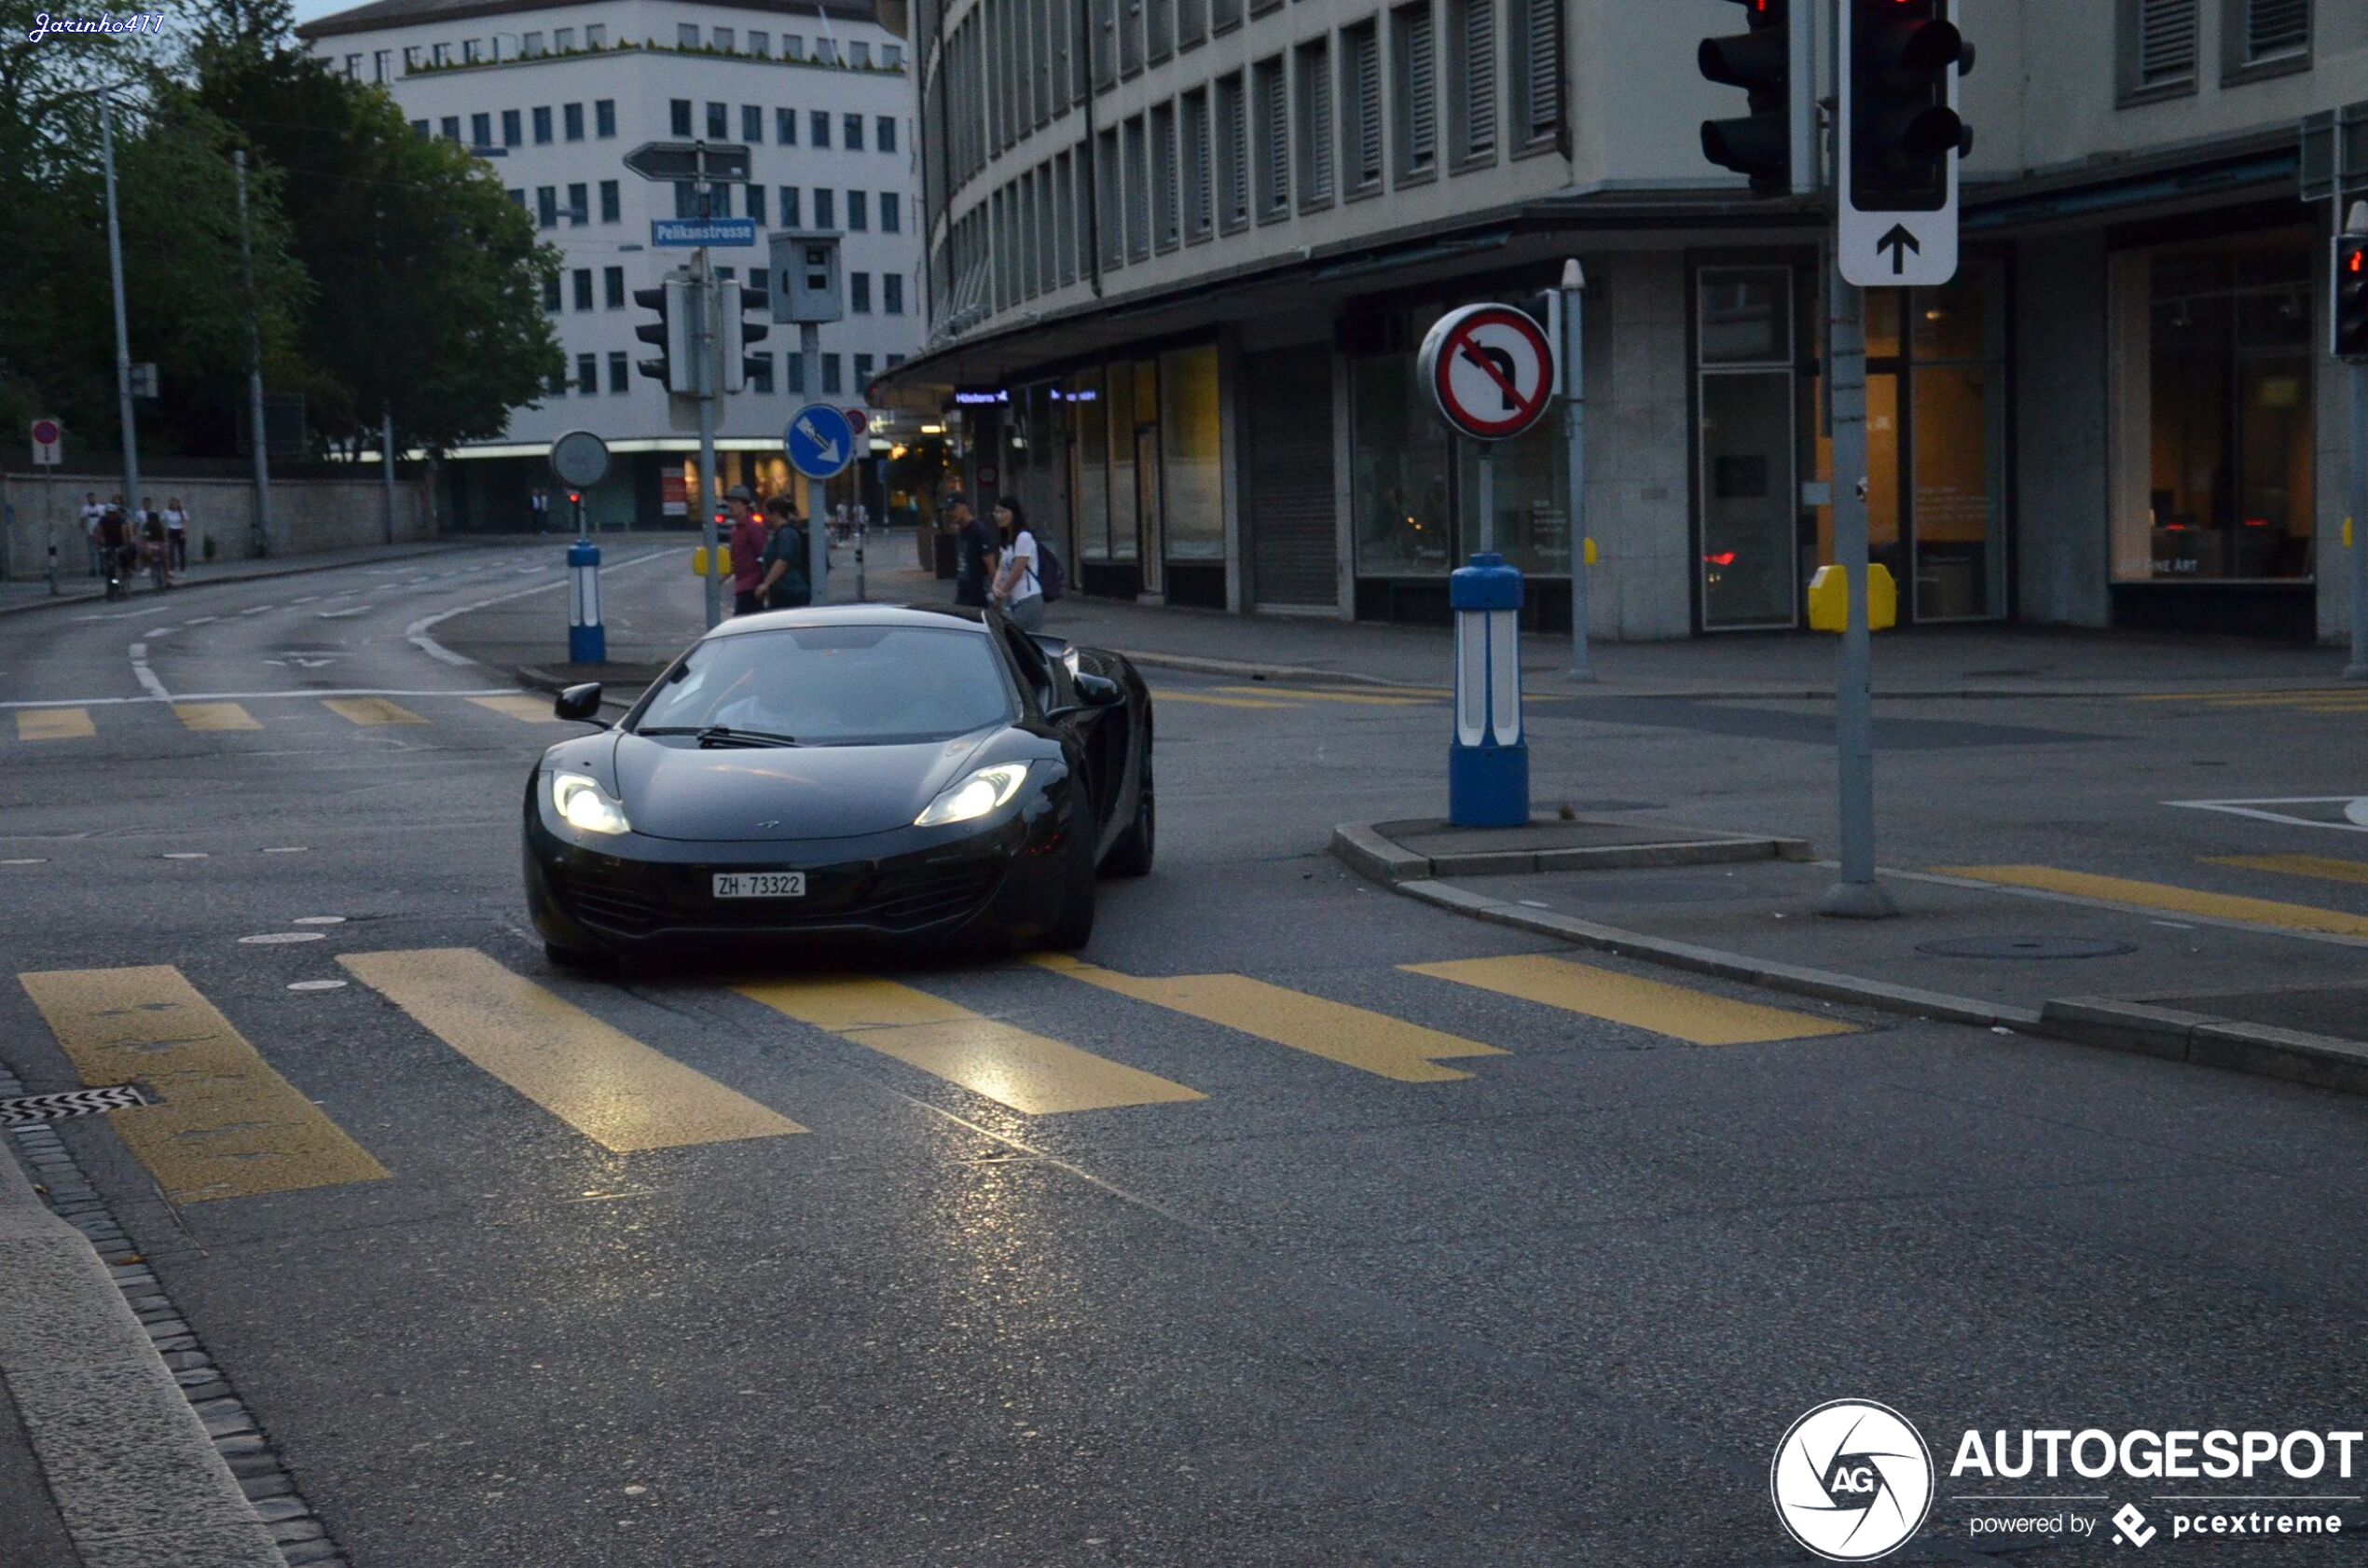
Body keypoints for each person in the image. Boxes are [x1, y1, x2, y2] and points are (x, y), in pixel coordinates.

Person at [987, 496, 1044, 631]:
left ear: (1014, 513)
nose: (998, 516)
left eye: (1002, 512)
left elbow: (1018, 571)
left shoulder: (1024, 537)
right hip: (1014, 600)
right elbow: (1001, 567)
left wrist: (1002, 592)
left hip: (1028, 598)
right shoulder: (1007, 539)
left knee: (1022, 640)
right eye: (996, 512)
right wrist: (995, 585)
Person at [758, 496, 811, 610]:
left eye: (767, 513)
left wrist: (766, 584)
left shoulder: (787, 533)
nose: (765, 518)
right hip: (783, 592)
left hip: (790, 592)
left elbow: (783, 560)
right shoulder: (780, 533)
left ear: (776, 514)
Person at [723, 487, 768, 615]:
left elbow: (764, 556)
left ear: (744, 505)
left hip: (752, 587)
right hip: (742, 586)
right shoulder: (736, 530)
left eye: (735, 502)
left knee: (741, 626)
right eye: (729, 502)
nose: (730, 505)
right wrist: (722, 578)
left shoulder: (753, 527)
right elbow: (737, 560)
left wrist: (764, 585)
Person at [948, 494, 995, 609]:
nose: (951, 513)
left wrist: (995, 593)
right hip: (963, 592)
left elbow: (990, 565)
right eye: (949, 510)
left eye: (954, 508)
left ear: (964, 507)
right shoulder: (961, 531)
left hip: (978, 594)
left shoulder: (979, 530)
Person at [96, 506, 131, 599]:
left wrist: (124, 545)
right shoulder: (103, 521)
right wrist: (99, 545)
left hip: (120, 543)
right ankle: (111, 587)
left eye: (113, 513)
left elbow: (125, 534)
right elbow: (99, 532)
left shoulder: (120, 521)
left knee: (123, 562)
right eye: (109, 513)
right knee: (109, 568)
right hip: (109, 545)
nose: (111, 516)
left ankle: (125, 581)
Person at [139, 499, 170, 589]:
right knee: (145, 553)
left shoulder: (160, 526)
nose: (152, 520)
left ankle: (167, 578)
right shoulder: (146, 526)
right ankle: (147, 567)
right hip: (151, 543)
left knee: (165, 559)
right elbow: (144, 537)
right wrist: (144, 546)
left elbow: (165, 536)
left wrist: (166, 545)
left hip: (160, 543)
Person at [79, 492, 104, 577]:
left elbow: (104, 520)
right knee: (92, 552)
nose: (91, 500)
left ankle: (102, 568)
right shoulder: (85, 509)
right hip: (90, 534)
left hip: (100, 534)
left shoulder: (101, 508)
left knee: (102, 552)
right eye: (89, 498)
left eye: (93, 498)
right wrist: (85, 530)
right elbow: (82, 521)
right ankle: (93, 569)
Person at [164, 497, 189, 572]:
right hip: (171, 531)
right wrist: (165, 532)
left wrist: (184, 533)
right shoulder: (166, 512)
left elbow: (186, 523)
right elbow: (162, 521)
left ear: (178, 504)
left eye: (175, 503)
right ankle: (171, 569)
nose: (174, 505)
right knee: (171, 551)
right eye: (172, 503)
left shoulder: (183, 512)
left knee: (181, 552)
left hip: (180, 531)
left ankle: (182, 569)